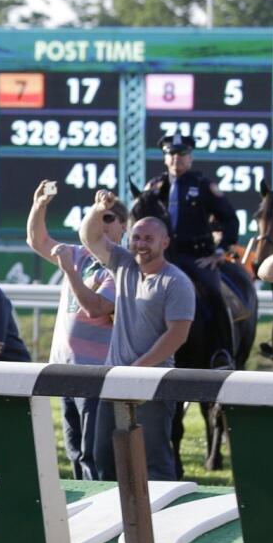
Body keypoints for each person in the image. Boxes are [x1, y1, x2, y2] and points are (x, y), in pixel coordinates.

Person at [81, 190, 195, 481]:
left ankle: (164, 523)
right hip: (114, 381)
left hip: (154, 384)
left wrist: (136, 370)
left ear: (165, 242)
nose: (141, 244)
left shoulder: (176, 282)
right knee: (104, 461)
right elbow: (90, 237)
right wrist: (97, 210)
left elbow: (177, 335)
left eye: (148, 239)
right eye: (136, 237)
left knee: (154, 464)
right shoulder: (122, 263)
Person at [27, 179, 124, 480]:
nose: (104, 226)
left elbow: (96, 307)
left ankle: (103, 513)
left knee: (92, 453)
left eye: (110, 220)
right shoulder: (79, 254)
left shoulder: (121, 266)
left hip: (95, 372)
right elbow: (37, 240)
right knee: (74, 451)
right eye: (99, 219)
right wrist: (39, 205)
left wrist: (68, 271)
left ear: (123, 227)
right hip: (65, 369)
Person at [145, 131, 238, 368]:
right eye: (171, 154)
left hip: (197, 258)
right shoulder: (155, 188)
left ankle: (223, 352)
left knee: (214, 294)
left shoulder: (203, 185)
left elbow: (230, 218)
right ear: (165, 158)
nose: (177, 159)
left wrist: (220, 251)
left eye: (182, 154)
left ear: (191, 157)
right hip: (162, 258)